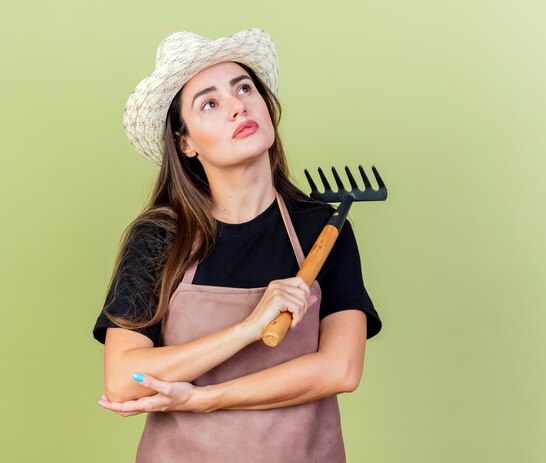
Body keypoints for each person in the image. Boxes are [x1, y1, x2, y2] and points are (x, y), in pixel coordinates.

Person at [92, 28, 382, 462]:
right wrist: (247, 329)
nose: (237, 105)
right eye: (209, 103)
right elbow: (125, 378)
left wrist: (204, 398)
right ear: (184, 142)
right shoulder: (160, 238)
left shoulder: (323, 228)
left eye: (243, 87)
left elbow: (339, 369)